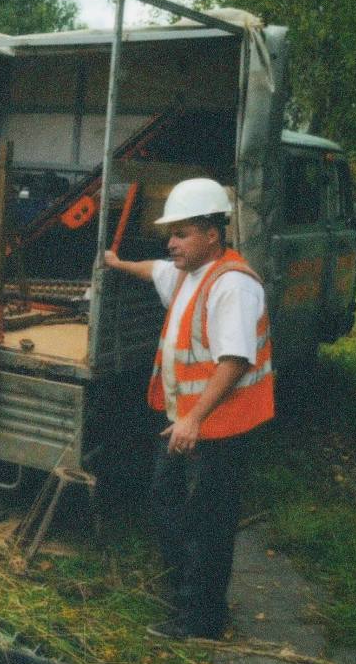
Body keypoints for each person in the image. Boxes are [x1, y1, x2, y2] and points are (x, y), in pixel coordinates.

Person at [104, 178, 274, 639]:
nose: (171, 243)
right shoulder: (189, 274)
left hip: (219, 427)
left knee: (209, 521)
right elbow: (155, 270)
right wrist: (118, 264)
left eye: (181, 233)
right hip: (188, 424)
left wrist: (194, 419)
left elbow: (235, 359)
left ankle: (202, 619)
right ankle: (187, 595)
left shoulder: (232, 285)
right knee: (167, 501)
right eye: (170, 234)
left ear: (212, 235)